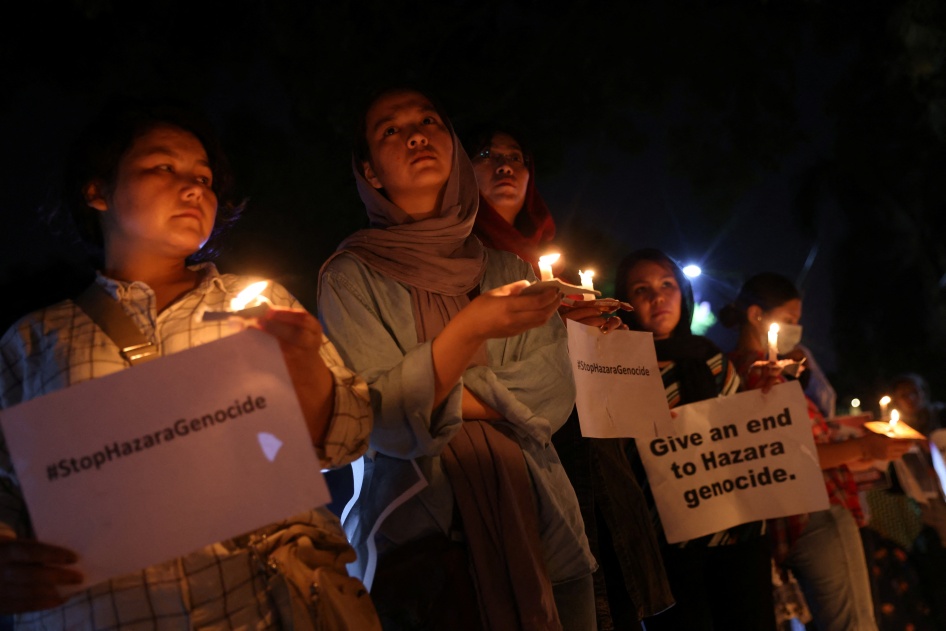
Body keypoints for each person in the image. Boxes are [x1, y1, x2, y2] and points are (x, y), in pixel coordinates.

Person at [0, 99, 378, 629]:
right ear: (96, 190)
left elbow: (347, 441)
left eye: (204, 177)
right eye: (163, 167)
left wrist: (308, 372)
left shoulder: (261, 307)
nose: (195, 187)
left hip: (259, 607)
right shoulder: (31, 343)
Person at [317, 87, 596, 631]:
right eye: (390, 131)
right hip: (422, 548)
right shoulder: (350, 278)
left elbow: (555, 393)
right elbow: (382, 419)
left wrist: (434, 391)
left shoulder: (508, 270)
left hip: (544, 529)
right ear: (370, 173)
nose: (416, 134)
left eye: (429, 121)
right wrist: (472, 329)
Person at [466, 130, 670, 630]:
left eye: (516, 157)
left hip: (597, 458)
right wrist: (554, 333)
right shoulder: (460, 262)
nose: (505, 166)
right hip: (534, 455)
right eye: (487, 155)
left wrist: (598, 334)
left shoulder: (545, 257)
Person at [721, 272, 914, 631]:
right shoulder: (759, 376)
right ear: (755, 316)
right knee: (854, 624)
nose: (797, 329)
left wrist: (864, 454)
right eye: (789, 320)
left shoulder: (738, 373)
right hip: (816, 515)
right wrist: (865, 445)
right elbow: (793, 459)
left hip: (800, 520)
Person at [608, 248, 775, 631]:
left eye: (667, 284)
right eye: (641, 289)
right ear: (625, 303)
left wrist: (765, 396)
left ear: (683, 294)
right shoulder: (612, 367)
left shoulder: (712, 361)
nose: (657, 296)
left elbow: (746, 435)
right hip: (668, 537)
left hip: (737, 532)